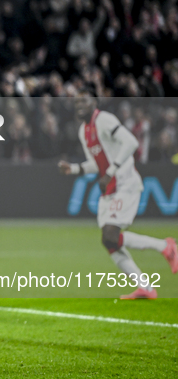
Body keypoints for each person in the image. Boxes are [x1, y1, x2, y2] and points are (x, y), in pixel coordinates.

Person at [58, 89, 178, 299]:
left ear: (94, 102)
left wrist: (111, 171)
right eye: (76, 102)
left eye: (84, 101)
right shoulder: (83, 131)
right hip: (110, 188)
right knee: (109, 241)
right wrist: (74, 169)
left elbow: (131, 142)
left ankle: (166, 247)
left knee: (111, 234)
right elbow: (96, 165)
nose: (79, 105)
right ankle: (146, 288)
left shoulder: (104, 119)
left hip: (125, 182)